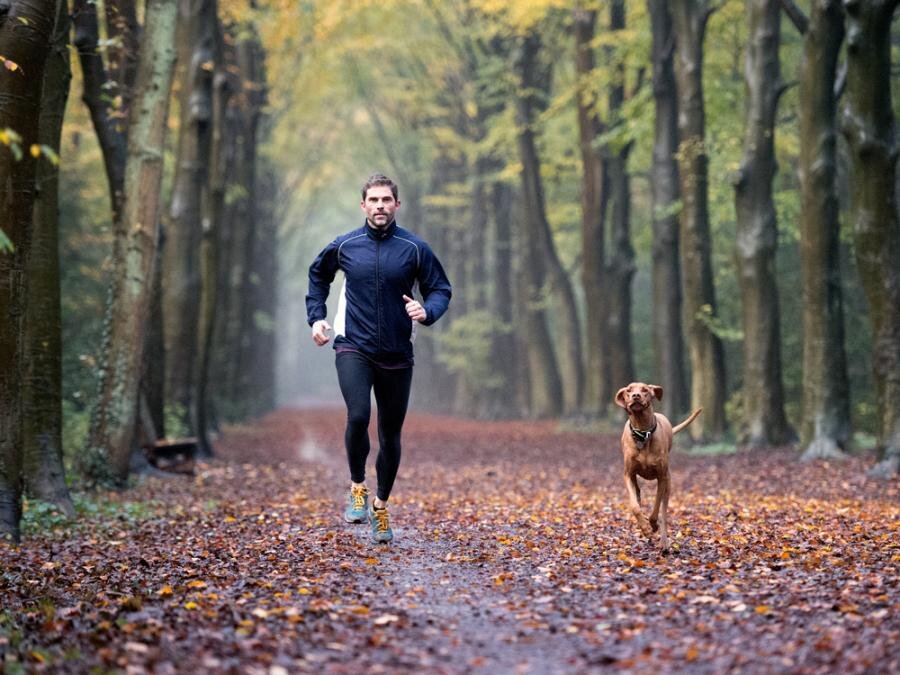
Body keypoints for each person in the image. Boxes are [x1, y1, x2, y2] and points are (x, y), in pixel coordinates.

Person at [306, 173, 452, 543]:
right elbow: (318, 275)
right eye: (373, 200)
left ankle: (381, 507)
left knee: (390, 434)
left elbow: (440, 288)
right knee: (358, 415)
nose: (380, 206)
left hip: (397, 353)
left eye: (386, 200)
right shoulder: (345, 246)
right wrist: (317, 318)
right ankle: (358, 486)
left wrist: (427, 311)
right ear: (363, 205)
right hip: (353, 345)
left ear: (397, 205)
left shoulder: (415, 248)